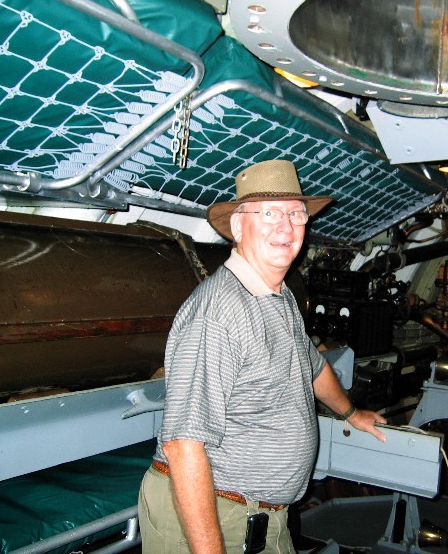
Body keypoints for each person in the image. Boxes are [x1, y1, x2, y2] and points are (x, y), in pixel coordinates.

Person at [138, 159, 387, 554]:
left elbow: (312, 367)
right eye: (269, 213)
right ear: (238, 226)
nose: (285, 226)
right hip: (212, 517)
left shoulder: (280, 295)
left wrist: (351, 413)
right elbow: (184, 446)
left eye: (296, 213)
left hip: (263, 518)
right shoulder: (217, 314)